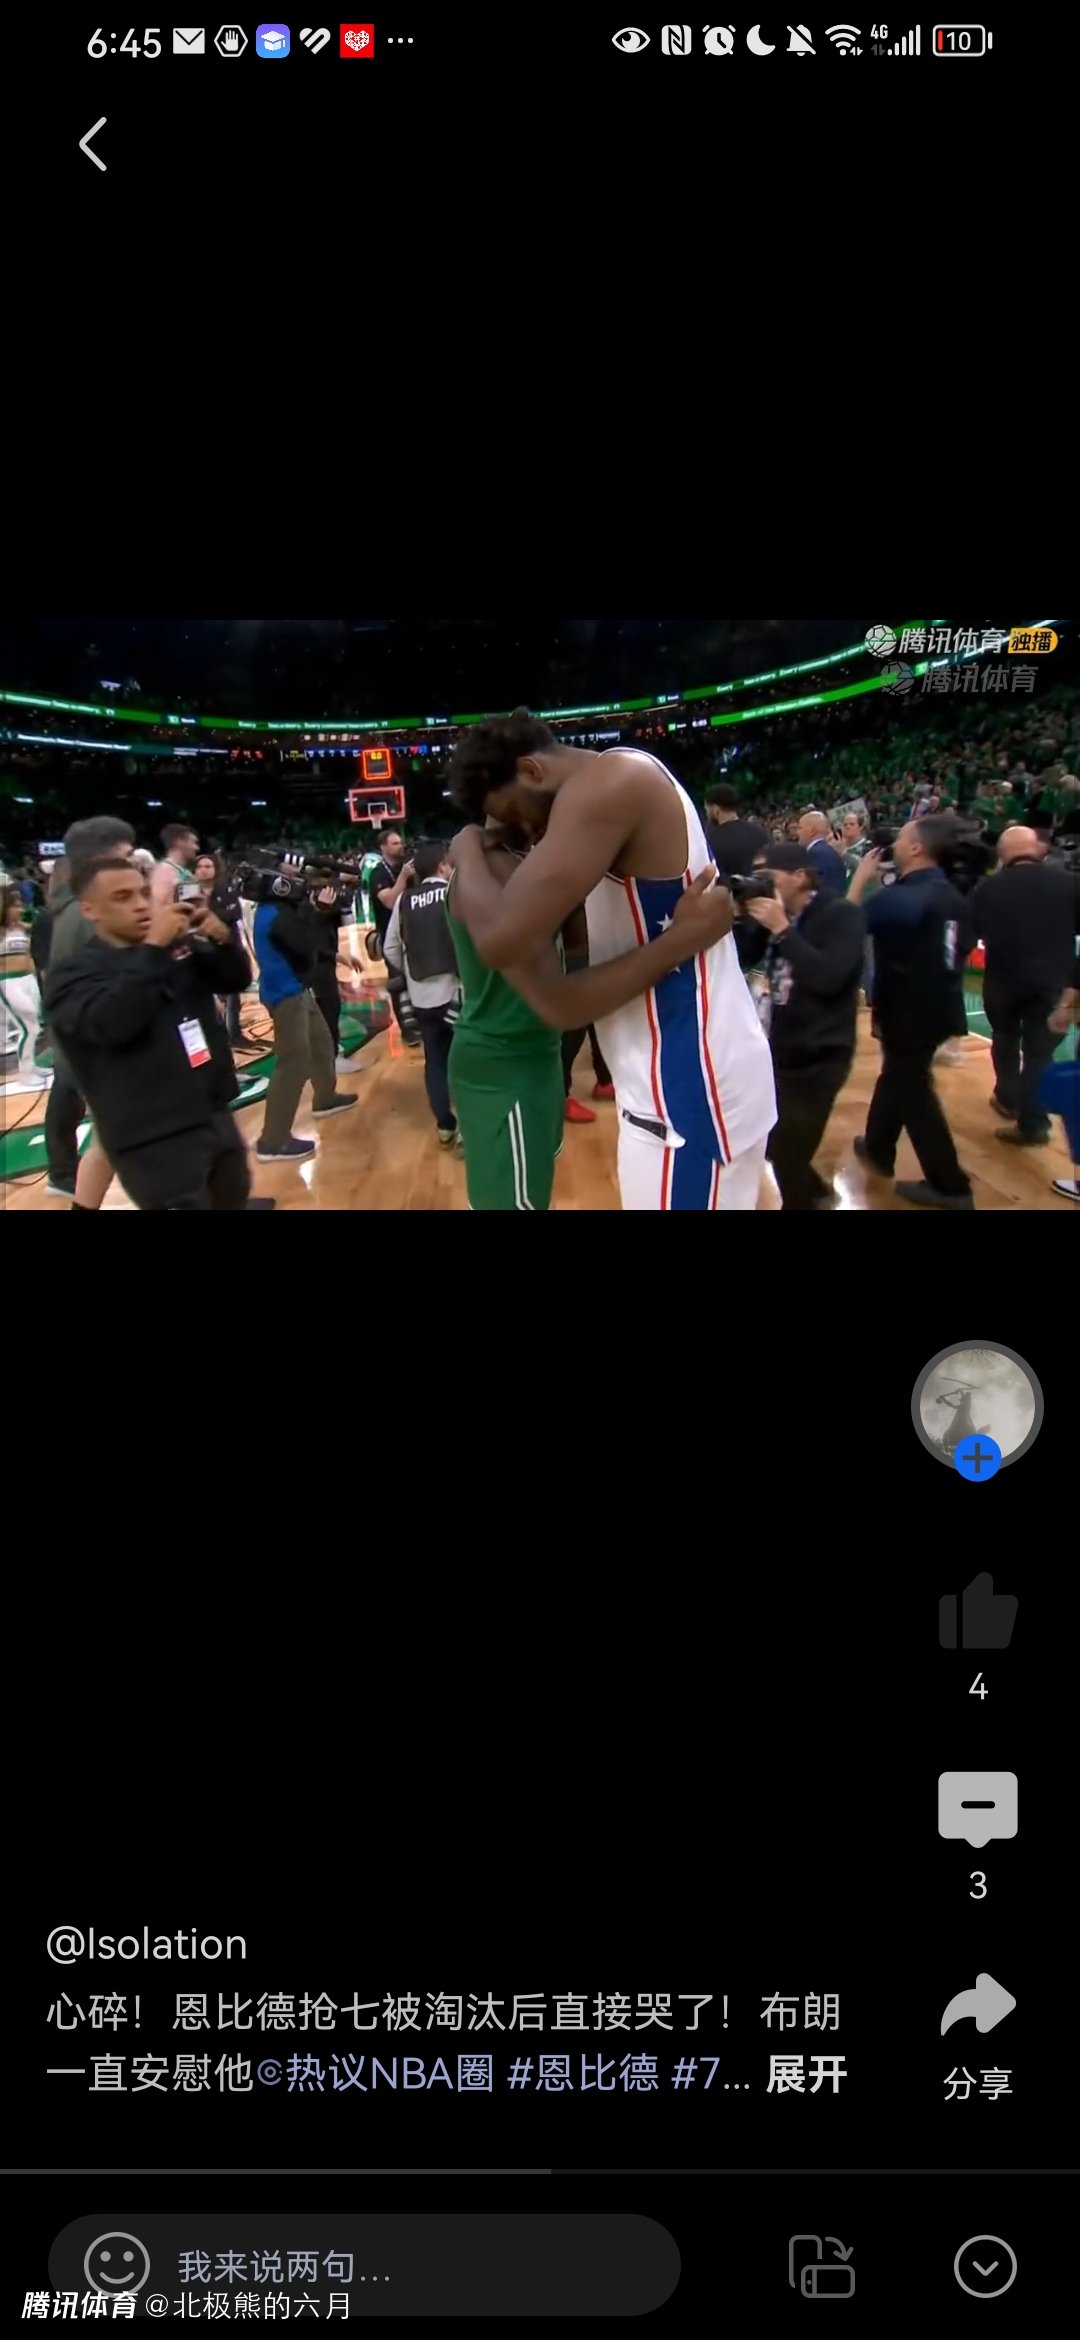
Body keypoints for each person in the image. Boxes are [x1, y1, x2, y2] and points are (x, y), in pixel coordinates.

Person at [447, 711, 775, 1210]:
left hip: (687, 1085)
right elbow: (565, 991)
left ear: (532, 770)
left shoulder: (610, 782)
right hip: (675, 1082)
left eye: (517, 814)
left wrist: (466, 848)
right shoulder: (606, 808)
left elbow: (498, 943)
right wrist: (679, 940)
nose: (526, 833)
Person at [447, 833, 736, 1211]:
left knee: (531, 1194)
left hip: (536, 1055)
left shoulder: (525, 861)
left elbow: (578, 951)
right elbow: (551, 994)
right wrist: (682, 939)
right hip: (503, 1061)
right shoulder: (489, 868)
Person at [45, 859, 254, 1210]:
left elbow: (234, 980)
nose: (141, 905)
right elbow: (113, 1021)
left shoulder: (174, 948)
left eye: (143, 893)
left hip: (211, 1114)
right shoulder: (72, 974)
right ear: (89, 909)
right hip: (152, 1137)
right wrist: (153, 948)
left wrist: (222, 941)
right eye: (122, 897)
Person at [849, 816, 974, 1209]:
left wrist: (860, 879)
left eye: (902, 838)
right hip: (940, 1005)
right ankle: (878, 1146)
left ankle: (951, 1186)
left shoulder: (904, 896)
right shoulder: (952, 894)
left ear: (917, 848)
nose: (896, 845)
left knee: (914, 1091)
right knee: (900, 1075)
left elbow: (844, 925)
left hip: (908, 1009)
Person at [739, 846, 866, 1210]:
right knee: (777, 1143)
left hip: (821, 1053)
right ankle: (816, 1193)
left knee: (787, 1152)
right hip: (781, 1045)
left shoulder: (840, 914)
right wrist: (743, 918)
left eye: (768, 876)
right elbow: (744, 956)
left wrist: (782, 929)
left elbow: (828, 977)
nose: (761, 883)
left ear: (799, 876)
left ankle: (806, 1199)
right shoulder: (782, 915)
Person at [43, 815, 135, 1205]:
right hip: (99, 1048)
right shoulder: (89, 914)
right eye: (126, 855)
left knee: (110, 1142)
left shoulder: (71, 908)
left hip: (83, 1045)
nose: (132, 863)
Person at [970, 825, 1079, 1149]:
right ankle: (1033, 1124)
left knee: (1004, 1039)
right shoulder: (1070, 883)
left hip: (1003, 982)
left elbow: (972, 933)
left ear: (1003, 854)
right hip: (1054, 984)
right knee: (1039, 1054)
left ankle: (1008, 1098)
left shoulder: (987, 889)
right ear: (1038, 849)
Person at [252, 877, 358, 1164]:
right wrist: (317, 911)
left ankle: (325, 1099)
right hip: (285, 994)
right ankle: (272, 1140)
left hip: (295, 989)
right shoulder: (277, 916)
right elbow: (306, 944)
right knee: (293, 1063)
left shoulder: (273, 910)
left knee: (322, 1043)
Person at [385, 840, 462, 1146]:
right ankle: (468, 1128)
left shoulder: (404, 900)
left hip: (421, 999)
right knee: (463, 1061)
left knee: (435, 1062)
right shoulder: (454, 894)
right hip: (457, 995)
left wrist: (408, 975)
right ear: (442, 865)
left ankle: (445, 1125)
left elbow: (390, 948)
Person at [0, 882, 47, 1088]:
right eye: (14, 906)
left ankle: (32, 1066)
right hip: (8, 981)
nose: (19, 910)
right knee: (27, 1028)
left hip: (28, 978)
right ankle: (25, 1073)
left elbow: (29, 956)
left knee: (34, 1026)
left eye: (20, 905)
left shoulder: (23, 928)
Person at [702, 783, 772, 879]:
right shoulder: (761, 834)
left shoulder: (710, 840)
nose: (706, 812)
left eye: (707, 808)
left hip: (727, 887)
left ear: (715, 809)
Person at [795, 811, 847, 896]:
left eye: (800, 828)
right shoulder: (829, 850)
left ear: (812, 831)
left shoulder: (815, 854)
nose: (797, 832)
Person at [150, 823, 200, 908]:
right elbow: (156, 905)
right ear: (179, 842)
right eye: (194, 842)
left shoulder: (184, 871)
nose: (197, 848)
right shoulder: (164, 870)